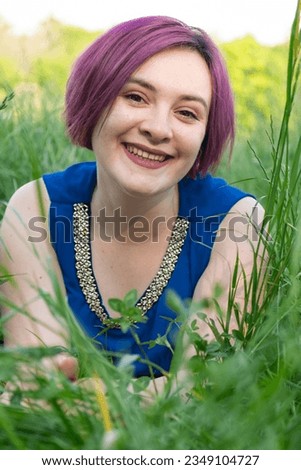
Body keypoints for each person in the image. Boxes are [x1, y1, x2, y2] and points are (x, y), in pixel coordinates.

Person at [0, 16, 265, 387]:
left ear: (205, 135)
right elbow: (34, 385)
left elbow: (201, 392)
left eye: (187, 113)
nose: (158, 128)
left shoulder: (238, 223)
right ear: (94, 99)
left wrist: (90, 397)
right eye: (136, 97)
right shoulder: (36, 208)